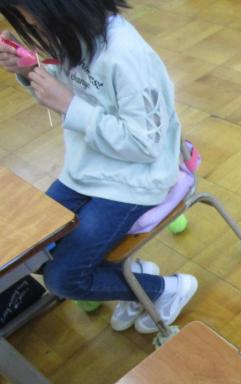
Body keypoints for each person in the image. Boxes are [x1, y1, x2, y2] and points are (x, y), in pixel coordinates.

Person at [0, 0, 196, 334]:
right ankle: (131, 279)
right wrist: (28, 71)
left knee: (62, 279)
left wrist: (70, 105)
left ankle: (166, 289)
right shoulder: (73, 35)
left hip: (134, 180)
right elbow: (73, 90)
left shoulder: (125, 53)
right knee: (28, 249)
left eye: (28, 11)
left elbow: (146, 145)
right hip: (87, 169)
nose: (29, 21)